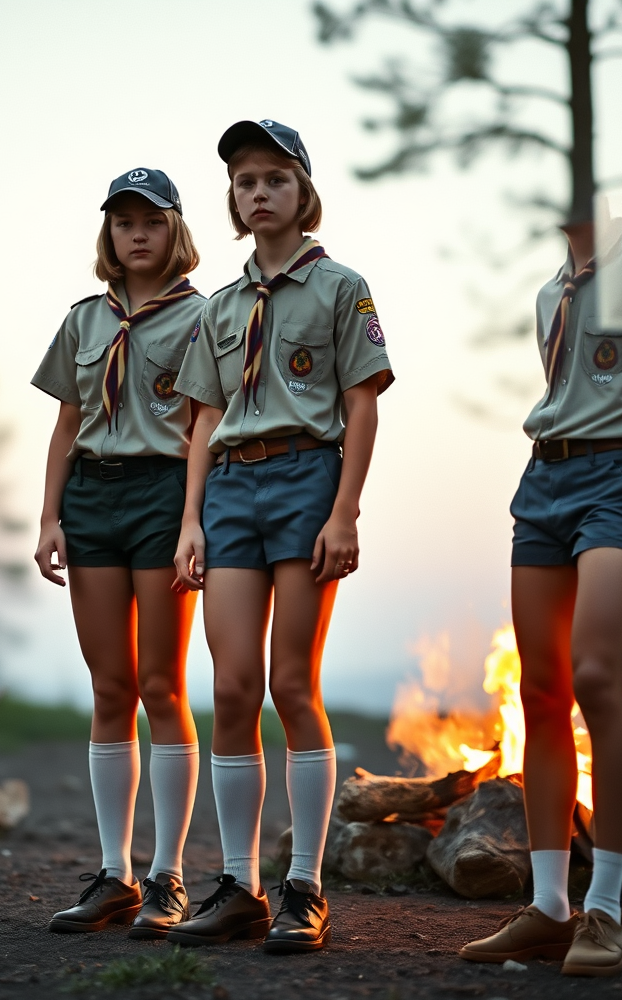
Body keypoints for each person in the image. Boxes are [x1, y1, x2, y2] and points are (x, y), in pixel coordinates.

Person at [166, 120, 393, 954]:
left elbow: (363, 402)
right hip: (229, 489)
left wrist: (345, 510)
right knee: (231, 689)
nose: (257, 192)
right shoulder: (219, 307)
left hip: (306, 481)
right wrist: (190, 518)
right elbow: (204, 418)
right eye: (243, 181)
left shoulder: (341, 288)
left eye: (273, 179)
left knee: (292, 684)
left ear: (303, 192)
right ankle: (240, 885)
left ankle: (306, 887)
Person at [458, 205, 622, 977]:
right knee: (541, 690)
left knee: (595, 672)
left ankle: (608, 910)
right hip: (543, 481)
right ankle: (551, 907)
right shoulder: (549, 292)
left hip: (617, 482)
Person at [32, 168, 206, 939]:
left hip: (164, 495)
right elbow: (66, 425)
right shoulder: (83, 320)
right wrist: (49, 518)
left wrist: (194, 518)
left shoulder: (204, 318)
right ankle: (117, 874)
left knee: (163, 683)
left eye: (152, 221)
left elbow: (205, 425)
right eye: (123, 222)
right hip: (92, 501)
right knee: (111, 687)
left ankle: (169, 876)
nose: (137, 234)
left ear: (176, 231)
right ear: (109, 233)